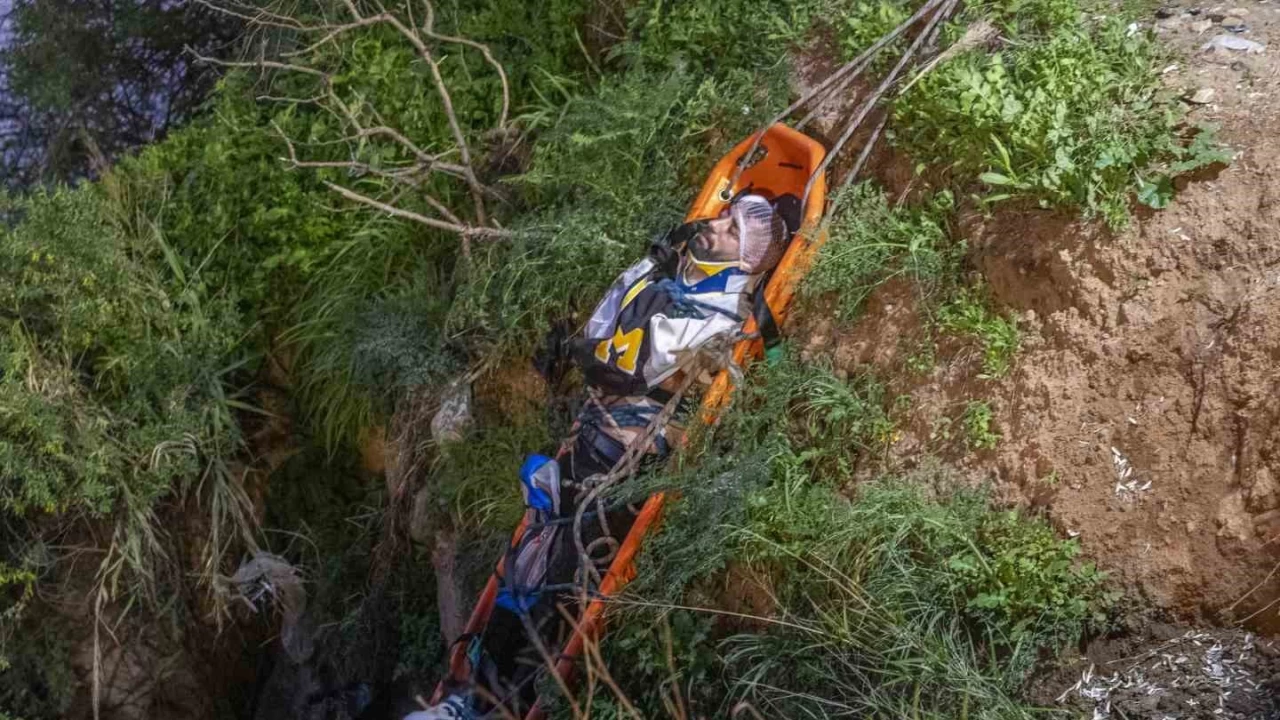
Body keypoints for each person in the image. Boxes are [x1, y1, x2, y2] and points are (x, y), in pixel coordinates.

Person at [411, 194, 791, 720]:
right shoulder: (682, 276)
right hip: (595, 439)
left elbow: (625, 362)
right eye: (724, 217)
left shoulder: (720, 313)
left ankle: (485, 705)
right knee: (530, 561)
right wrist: (650, 268)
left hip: (627, 460)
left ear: (745, 260)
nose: (716, 226)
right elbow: (597, 334)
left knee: (562, 575)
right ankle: (469, 695)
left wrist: (649, 284)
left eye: (731, 231)